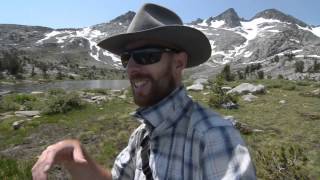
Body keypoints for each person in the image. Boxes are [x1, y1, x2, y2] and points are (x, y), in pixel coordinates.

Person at [32, 3, 256, 180]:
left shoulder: (214, 136)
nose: (130, 68)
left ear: (179, 63)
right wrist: (76, 157)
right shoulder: (142, 135)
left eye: (146, 55)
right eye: (126, 58)